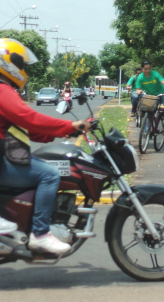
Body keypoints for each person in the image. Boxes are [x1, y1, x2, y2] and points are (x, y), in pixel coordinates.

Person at [0, 38, 90, 252]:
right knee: (49, 175)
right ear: (8, 62)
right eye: (20, 64)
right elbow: (28, 117)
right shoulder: (3, 91)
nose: (23, 69)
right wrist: (69, 124)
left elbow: (26, 128)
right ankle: (40, 233)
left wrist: (66, 130)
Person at [135, 60, 164, 133]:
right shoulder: (140, 77)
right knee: (148, 111)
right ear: (142, 68)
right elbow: (138, 89)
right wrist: (138, 91)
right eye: (145, 69)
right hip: (151, 95)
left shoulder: (155, 74)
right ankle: (147, 130)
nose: (147, 70)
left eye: (149, 68)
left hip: (162, 93)